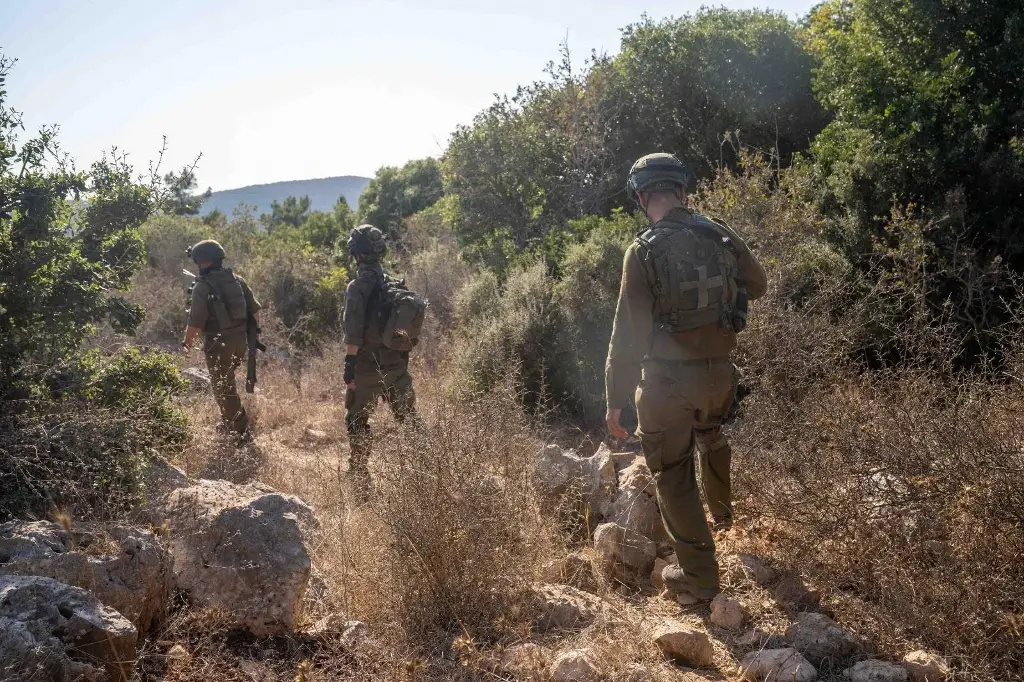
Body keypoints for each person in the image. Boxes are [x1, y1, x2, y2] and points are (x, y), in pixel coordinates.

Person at [605, 153, 768, 603]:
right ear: (682, 191)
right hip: (720, 376)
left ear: (641, 197)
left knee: (674, 475)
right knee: (712, 436)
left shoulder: (641, 251)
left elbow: (627, 336)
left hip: (666, 385)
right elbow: (759, 284)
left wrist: (615, 399)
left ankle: (700, 581)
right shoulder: (718, 232)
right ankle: (725, 516)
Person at [343, 224, 418, 499]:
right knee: (409, 419)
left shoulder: (357, 287)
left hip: (366, 367)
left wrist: (349, 367)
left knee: (357, 420)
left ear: (356, 254)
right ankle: (430, 468)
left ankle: (360, 476)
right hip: (396, 366)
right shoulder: (395, 284)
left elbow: (353, 334)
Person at [182, 239, 261, 441]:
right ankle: (228, 421)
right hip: (240, 342)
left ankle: (241, 429)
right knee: (226, 383)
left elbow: (195, 322)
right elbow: (256, 312)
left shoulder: (202, 287)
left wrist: (186, 345)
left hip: (218, 344)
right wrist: (250, 337)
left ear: (202, 262)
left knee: (223, 387)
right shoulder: (237, 280)